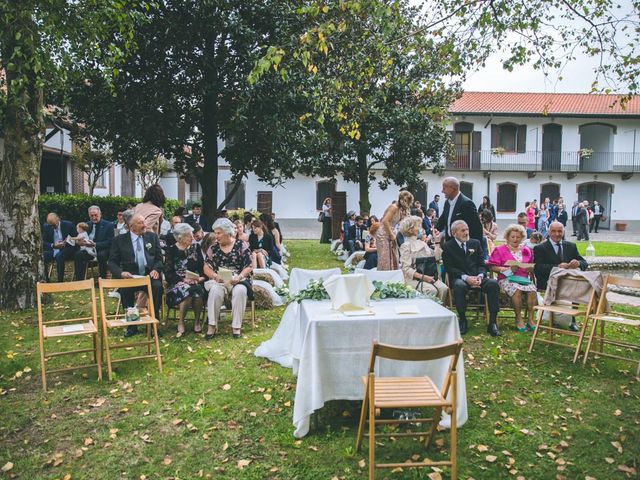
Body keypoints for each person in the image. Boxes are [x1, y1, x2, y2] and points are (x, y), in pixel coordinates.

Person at [108, 214, 164, 337]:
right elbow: (112, 262)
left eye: (144, 222)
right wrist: (121, 273)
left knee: (157, 287)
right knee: (125, 290)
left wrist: (156, 269)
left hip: (148, 276)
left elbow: (159, 259)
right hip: (130, 277)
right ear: (130, 226)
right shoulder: (119, 240)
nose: (145, 225)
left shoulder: (152, 237)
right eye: (140, 223)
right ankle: (132, 325)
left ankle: (153, 324)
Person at [442, 220, 501, 337]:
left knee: (493, 284)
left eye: (467, 229)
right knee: (459, 286)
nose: (466, 232)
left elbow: (482, 263)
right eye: (463, 230)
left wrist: (480, 276)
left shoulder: (475, 243)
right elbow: (449, 268)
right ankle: (463, 320)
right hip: (460, 277)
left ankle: (492, 323)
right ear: (454, 233)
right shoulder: (448, 246)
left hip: (477, 277)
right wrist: (466, 278)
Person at [203, 218, 253, 339]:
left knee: (240, 291)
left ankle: (236, 327)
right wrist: (215, 276)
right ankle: (212, 326)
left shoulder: (241, 245)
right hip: (220, 280)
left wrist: (240, 276)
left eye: (219, 233)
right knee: (215, 291)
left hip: (238, 279)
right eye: (215, 233)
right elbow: (206, 268)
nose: (216, 236)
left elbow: (249, 266)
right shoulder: (213, 248)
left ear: (227, 232)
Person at [487, 224, 538, 332]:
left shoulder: (526, 250)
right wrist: (506, 269)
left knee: (532, 290)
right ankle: (518, 319)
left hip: (523, 279)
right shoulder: (500, 250)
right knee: (517, 290)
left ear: (522, 238)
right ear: (507, 237)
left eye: (518, 237)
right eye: (513, 237)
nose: (515, 239)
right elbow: (492, 267)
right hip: (506, 279)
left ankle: (530, 319)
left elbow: (530, 264)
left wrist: (530, 269)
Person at [164, 223, 206, 337]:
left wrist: (200, 278)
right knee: (186, 291)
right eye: (189, 235)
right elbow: (168, 273)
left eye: (192, 234)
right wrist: (183, 279)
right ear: (180, 237)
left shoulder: (196, 247)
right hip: (177, 283)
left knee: (197, 294)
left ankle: (197, 321)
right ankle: (181, 321)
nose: (192, 237)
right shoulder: (171, 250)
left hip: (196, 282)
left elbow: (202, 267)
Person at [398, 216, 448, 301]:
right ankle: (427, 311)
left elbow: (437, 258)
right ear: (410, 229)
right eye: (418, 226)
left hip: (429, 275)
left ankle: (438, 311)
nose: (421, 228)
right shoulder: (405, 246)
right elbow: (406, 269)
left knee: (444, 288)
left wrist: (437, 242)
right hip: (413, 278)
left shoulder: (422, 243)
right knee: (431, 290)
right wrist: (424, 277)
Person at [533, 220, 588, 292]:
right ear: (549, 232)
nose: (557, 234)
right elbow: (538, 268)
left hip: (569, 283)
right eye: (553, 231)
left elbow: (584, 263)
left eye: (559, 231)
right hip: (549, 284)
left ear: (563, 232)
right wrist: (558, 267)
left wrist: (578, 263)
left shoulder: (571, 246)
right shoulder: (540, 248)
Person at [436, 177, 483, 242]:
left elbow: (477, 228)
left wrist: (474, 248)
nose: (442, 191)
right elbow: (442, 220)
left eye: (444, 188)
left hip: (463, 245)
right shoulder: (447, 203)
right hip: (450, 244)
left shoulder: (467, 204)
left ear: (453, 188)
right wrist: (433, 231)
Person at [376, 190, 414, 270]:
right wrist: (391, 234)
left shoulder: (400, 209)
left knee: (394, 256)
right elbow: (385, 221)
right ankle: (384, 276)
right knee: (385, 257)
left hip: (391, 231)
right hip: (383, 233)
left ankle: (392, 276)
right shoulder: (393, 207)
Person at [74, 205, 114, 280]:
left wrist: (95, 244)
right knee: (78, 254)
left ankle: (103, 279)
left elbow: (110, 242)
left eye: (96, 215)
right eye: (91, 216)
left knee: (101, 255)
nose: (94, 218)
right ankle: (79, 280)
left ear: (100, 214)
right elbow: (81, 236)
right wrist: (79, 242)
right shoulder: (87, 225)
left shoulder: (108, 225)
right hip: (89, 249)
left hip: (103, 249)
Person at [42, 213, 77, 282]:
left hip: (67, 249)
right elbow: (43, 242)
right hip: (53, 249)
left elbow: (76, 239)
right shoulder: (46, 227)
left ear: (58, 219)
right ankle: (46, 280)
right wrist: (53, 245)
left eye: (54, 225)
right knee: (42, 256)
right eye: (50, 225)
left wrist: (67, 242)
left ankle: (60, 281)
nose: (52, 227)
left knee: (59, 256)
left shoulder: (68, 225)